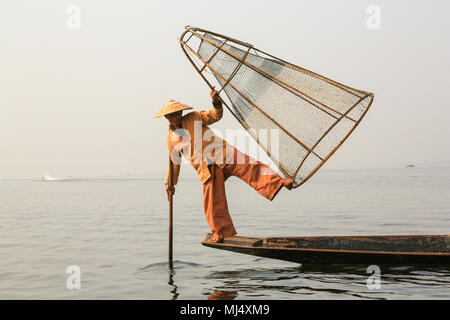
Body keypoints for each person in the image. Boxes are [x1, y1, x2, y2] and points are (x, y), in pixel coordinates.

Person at [154, 89, 293, 243]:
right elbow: (174, 163)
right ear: (166, 118)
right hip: (206, 169)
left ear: (181, 113)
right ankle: (221, 233)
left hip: (223, 153)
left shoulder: (194, 117)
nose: (175, 117)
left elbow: (214, 115)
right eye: (171, 115)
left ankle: (280, 182)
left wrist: (216, 102)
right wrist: (170, 183)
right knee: (213, 203)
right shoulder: (171, 139)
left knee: (251, 167)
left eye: (177, 113)